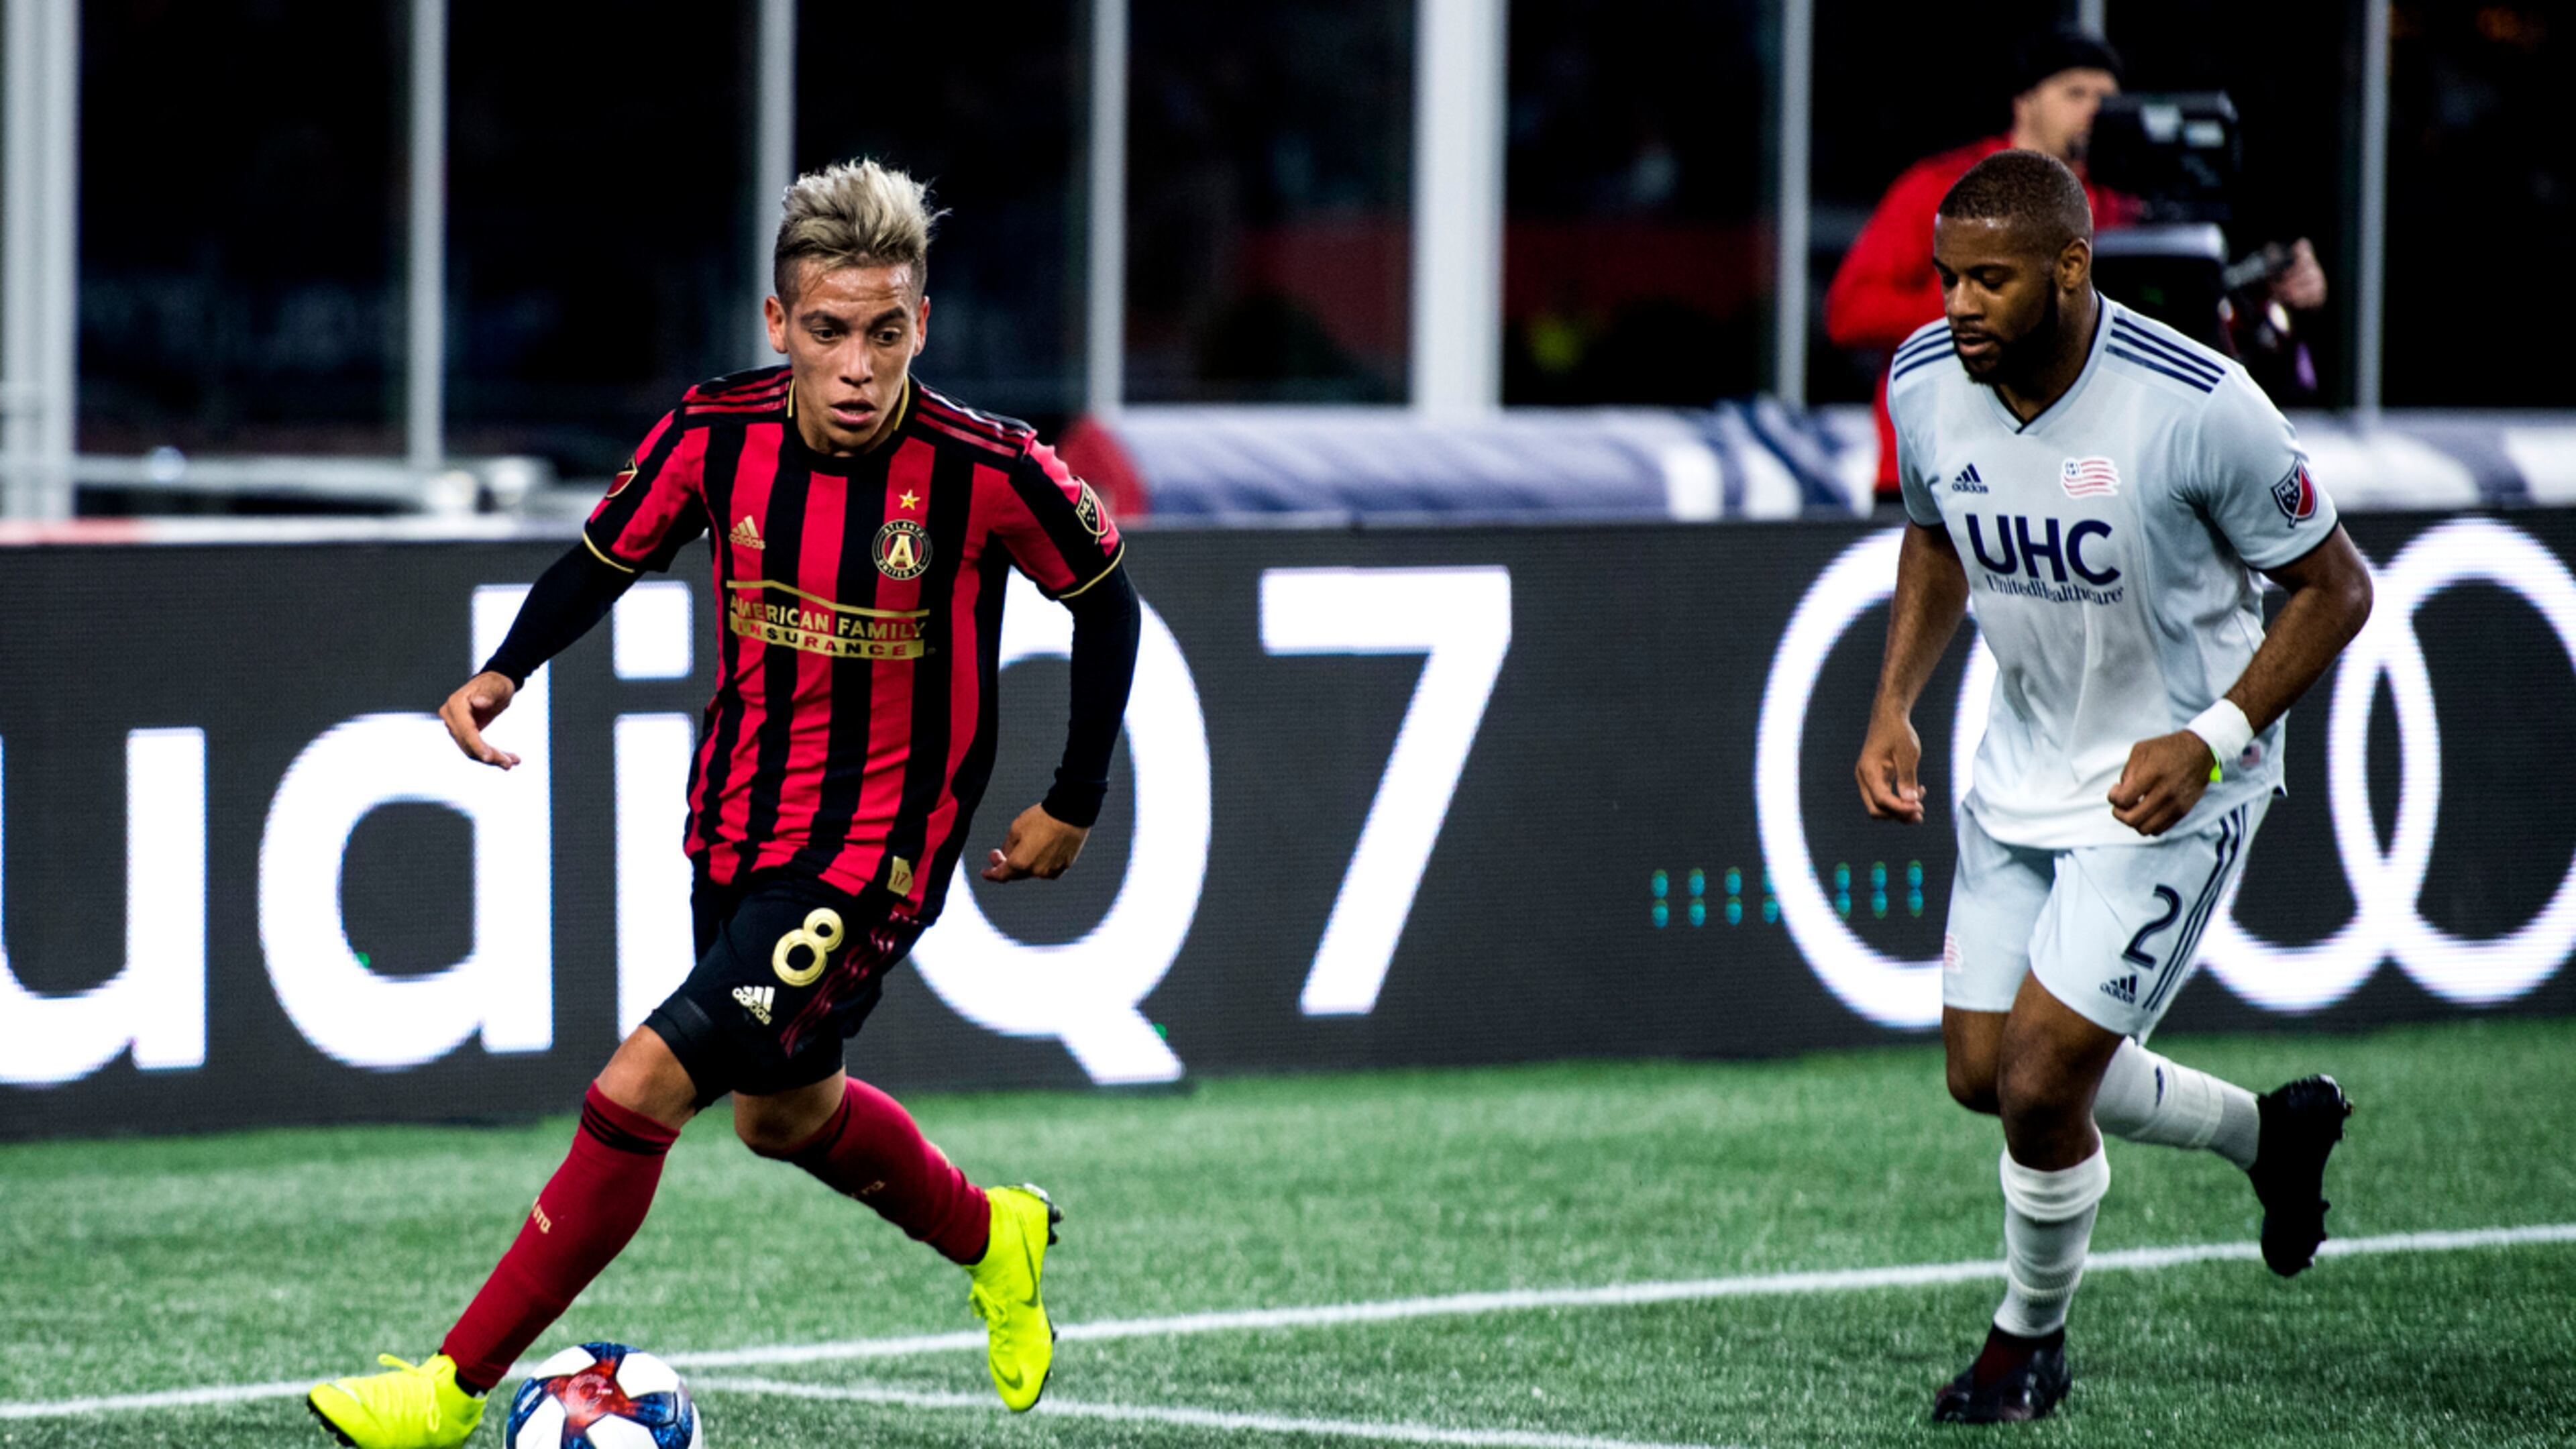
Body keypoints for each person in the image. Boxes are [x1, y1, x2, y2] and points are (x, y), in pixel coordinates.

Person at [307, 158, 1140, 1449]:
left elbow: (1106, 597)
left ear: (923, 324)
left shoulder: (987, 468)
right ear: (778, 326)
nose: (858, 366)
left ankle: (445, 1391)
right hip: (738, 826)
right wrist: (504, 669)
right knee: (781, 1114)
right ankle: (997, 1235)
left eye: (885, 332)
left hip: (878, 852)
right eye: (827, 332)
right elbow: (603, 556)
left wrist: (1075, 795)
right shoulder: (716, 432)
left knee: (644, 1082)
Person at [1853, 150, 2372, 1424]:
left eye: (1990, 280)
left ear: (2071, 268)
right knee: (1982, 1074)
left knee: (2039, 1085)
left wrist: (2212, 735)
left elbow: (2338, 590)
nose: (1958, 305)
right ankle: (2272, 1135)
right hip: (2021, 771)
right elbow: (1933, 533)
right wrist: (1892, 704)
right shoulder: (1926, 383)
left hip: (2175, 788)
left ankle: (2026, 1344)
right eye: (1946, 279)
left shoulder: (2198, 405)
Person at [1824, 28, 2328, 501]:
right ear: (2024, 102)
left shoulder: (2123, 209)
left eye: (2104, 98)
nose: (2093, 110)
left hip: (2079, 480)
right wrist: (2003, 303)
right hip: (1943, 473)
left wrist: (2276, 302)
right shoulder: (1944, 187)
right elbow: (1851, 312)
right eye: (2075, 93)